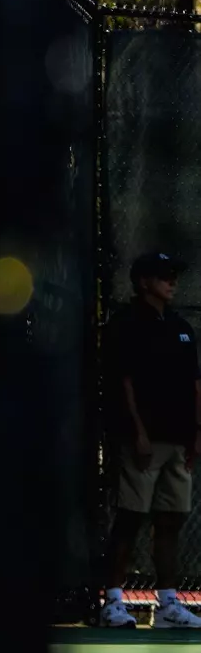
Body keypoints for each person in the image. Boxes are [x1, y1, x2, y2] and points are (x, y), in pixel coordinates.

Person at [99, 250, 201, 629]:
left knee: (171, 521)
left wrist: (197, 433)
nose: (172, 281)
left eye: (174, 274)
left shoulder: (181, 327)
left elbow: (195, 384)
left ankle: (169, 606)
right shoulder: (125, 324)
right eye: (163, 275)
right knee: (131, 518)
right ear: (143, 282)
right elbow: (124, 382)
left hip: (179, 442)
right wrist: (138, 432)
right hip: (142, 442)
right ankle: (112, 602)